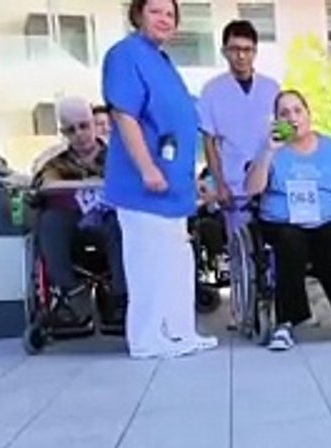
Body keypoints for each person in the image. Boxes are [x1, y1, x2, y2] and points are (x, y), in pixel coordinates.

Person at [102, 0, 215, 359]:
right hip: (143, 184)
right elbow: (125, 115)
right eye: (156, 11)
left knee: (177, 261)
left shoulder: (163, 61)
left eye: (170, 14)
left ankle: (180, 331)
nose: (164, 19)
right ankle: (147, 338)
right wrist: (147, 167)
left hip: (174, 184)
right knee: (149, 261)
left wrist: (189, 178)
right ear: (138, 14)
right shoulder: (125, 55)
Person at [245, 90, 331, 351]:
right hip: (283, 222)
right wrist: (268, 152)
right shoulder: (270, 149)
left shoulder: (330, 148)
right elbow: (252, 189)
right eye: (285, 113)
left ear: (308, 114)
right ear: (277, 120)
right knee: (290, 241)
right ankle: (285, 323)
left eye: (298, 110)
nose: (293, 117)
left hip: (325, 220)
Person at [31, 96, 127, 331]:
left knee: (121, 222)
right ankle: (71, 296)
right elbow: (44, 185)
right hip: (71, 227)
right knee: (50, 220)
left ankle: (120, 297)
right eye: (71, 130)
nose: (80, 134)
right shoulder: (54, 163)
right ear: (63, 132)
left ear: (94, 124)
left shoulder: (119, 157)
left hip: (109, 222)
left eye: (84, 126)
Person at [198, 19, 280, 210]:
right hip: (233, 186)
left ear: (255, 52)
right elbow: (209, 142)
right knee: (239, 229)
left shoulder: (272, 88)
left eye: (247, 49)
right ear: (224, 51)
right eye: (235, 49)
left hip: (271, 183)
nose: (241, 56)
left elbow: (283, 133)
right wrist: (220, 184)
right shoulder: (212, 90)